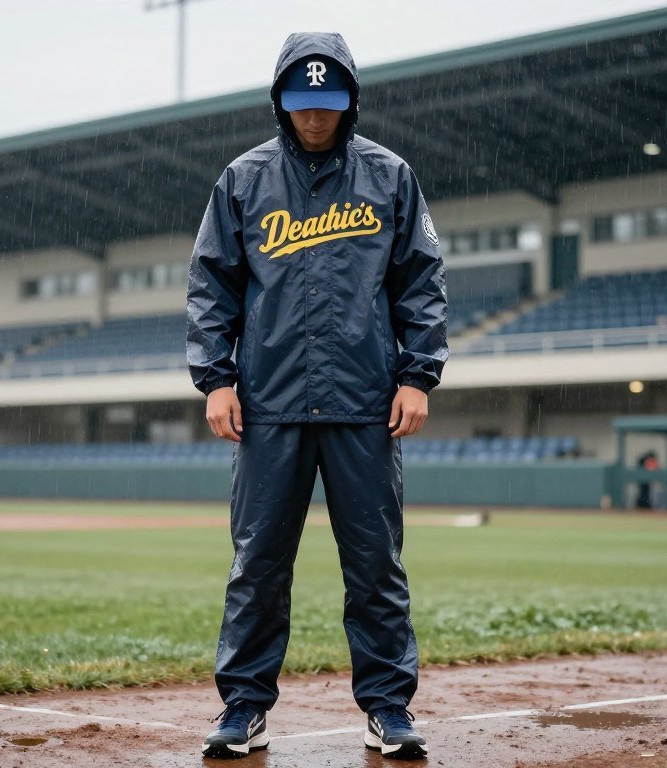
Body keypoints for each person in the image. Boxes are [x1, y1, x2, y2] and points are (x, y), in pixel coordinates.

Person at [186, 32, 448, 761]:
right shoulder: (242, 180)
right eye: (301, 105)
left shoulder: (390, 177)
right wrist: (217, 378)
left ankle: (389, 709)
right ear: (280, 101)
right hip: (268, 404)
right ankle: (244, 708)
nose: (313, 119)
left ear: (349, 101)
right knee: (259, 565)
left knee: (374, 564)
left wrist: (417, 374)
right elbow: (212, 286)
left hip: (366, 402)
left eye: (326, 105)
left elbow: (421, 283)